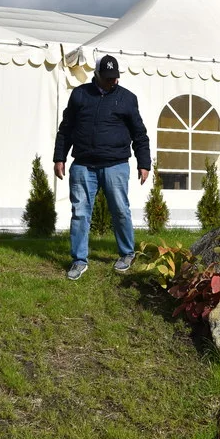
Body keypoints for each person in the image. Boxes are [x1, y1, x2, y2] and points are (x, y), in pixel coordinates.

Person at [53, 54, 151, 281]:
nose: (112, 81)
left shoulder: (127, 99)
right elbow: (65, 129)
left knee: (120, 210)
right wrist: (60, 158)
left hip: (116, 164)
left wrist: (143, 163)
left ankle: (127, 254)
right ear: (96, 74)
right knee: (79, 213)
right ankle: (79, 260)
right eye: (107, 78)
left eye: (115, 77)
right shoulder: (79, 95)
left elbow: (140, 134)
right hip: (83, 165)